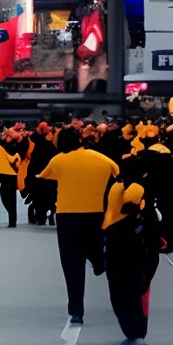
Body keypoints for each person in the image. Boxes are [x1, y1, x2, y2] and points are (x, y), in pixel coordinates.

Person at [36, 126, 119, 324]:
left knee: (71, 263)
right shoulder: (101, 159)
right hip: (95, 214)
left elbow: (42, 176)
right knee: (95, 247)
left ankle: (76, 310)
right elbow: (117, 171)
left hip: (67, 215)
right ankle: (98, 260)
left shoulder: (59, 161)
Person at [102, 181, 160, 344]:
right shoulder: (144, 218)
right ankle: (137, 331)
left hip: (126, 265)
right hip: (129, 264)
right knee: (132, 300)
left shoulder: (117, 222)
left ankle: (136, 331)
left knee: (125, 300)